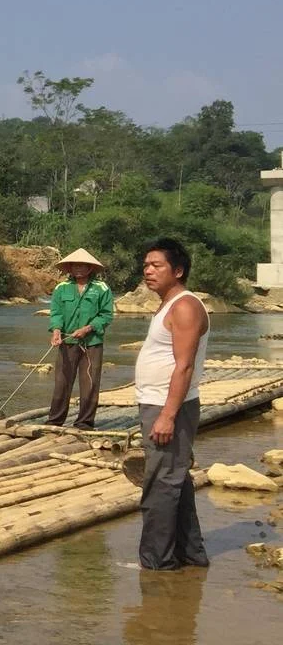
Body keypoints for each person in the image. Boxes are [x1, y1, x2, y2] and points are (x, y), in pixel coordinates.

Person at [133, 238, 209, 570]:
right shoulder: (169, 303)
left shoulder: (185, 306)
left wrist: (167, 414)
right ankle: (189, 556)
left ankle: (156, 564)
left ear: (177, 270)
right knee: (175, 480)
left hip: (169, 408)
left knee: (160, 485)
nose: (148, 271)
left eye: (156, 265)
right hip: (160, 405)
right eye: (146, 265)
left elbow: (185, 365)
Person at [45, 248, 115, 429]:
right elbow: (56, 313)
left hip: (92, 343)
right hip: (67, 342)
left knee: (90, 382)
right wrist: (56, 331)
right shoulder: (61, 288)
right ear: (69, 268)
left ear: (90, 268)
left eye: (82, 265)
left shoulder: (101, 288)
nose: (78, 268)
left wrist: (88, 328)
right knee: (62, 381)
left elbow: (106, 315)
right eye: (74, 265)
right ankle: (55, 420)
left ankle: (84, 422)